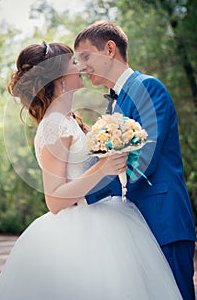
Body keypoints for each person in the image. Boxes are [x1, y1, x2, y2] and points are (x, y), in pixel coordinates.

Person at [0, 41, 182, 300]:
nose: (80, 66)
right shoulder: (53, 126)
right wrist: (102, 169)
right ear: (59, 76)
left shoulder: (69, 120)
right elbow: (54, 199)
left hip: (109, 216)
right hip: (82, 229)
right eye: (73, 62)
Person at [74, 20, 196, 300]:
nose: (82, 66)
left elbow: (144, 160)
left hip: (163, 221)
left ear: (109, 49)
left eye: (86, 57)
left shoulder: (148, 88)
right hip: (133, 229)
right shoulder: (111, 105)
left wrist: (83, 193)